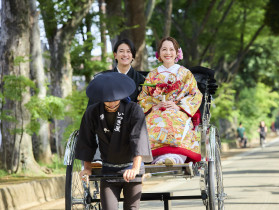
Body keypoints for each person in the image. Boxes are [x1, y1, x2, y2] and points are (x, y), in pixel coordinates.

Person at [76, 72, 152, 209]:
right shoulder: (92, 112)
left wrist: (135, 168)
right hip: (109, 170)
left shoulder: (134, 110)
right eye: (107, 99)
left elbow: (138, 139)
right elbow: (86, 140)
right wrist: (87, 168)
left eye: (115, 98)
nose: (111, 102)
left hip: (131, 169)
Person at [138, 37, 203, 165]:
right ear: (159, 53)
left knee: (176, 126)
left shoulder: (185, 73)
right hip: (157, 110)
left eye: (171, 49)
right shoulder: (152, 75)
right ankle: (158, 159)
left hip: (177, 110)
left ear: (177, 52)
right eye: (164, 49)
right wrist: (154, 107)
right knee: (150, 124)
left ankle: (174, 158)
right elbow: (143, 97)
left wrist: (178, 106)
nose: (168, 53)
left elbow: (195, 95)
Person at [88, 39, 145, 106]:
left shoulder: (141, 80)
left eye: (128, 51)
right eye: (121, 51)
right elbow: (92, 108)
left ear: (133, 56)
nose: (125, 54)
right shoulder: (102, 78)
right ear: (115, 55)